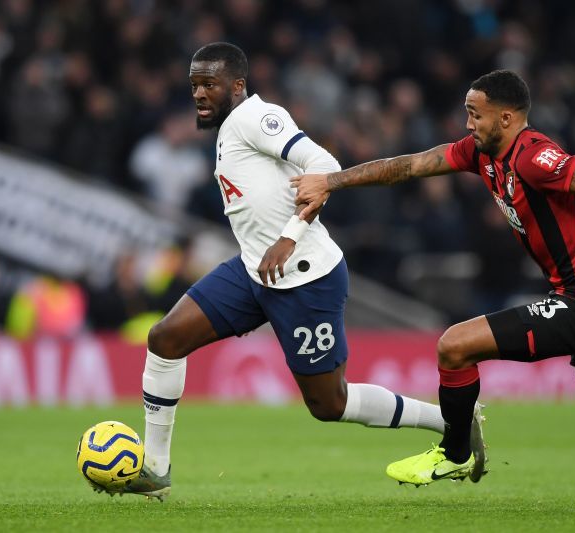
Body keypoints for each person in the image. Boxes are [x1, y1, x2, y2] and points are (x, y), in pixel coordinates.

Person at [291, 70, 575, 505]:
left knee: (454, 346)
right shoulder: (481, 153)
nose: (467, 124)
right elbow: (410, 165)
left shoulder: (534, 158)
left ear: (505, 118)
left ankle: (455, 452)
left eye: (475, 115)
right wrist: (331, 181)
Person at [104, 42, 486, 501]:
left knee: (330, 404)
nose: (199, 94)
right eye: (194, 85)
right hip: (253, 271)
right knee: (165, 339)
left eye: (210, 84)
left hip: (305, 278)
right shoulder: (228, 128)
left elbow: (324, 165)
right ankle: (155, 471)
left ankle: (453, 421)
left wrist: (288, 235)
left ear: (238, 86)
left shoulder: (258, 118)